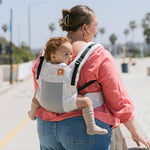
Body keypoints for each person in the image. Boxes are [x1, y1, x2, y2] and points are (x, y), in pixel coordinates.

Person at [31, 5, 150, 150]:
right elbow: (117, 98)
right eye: (95, 26)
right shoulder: (98, 55)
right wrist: (134, 132)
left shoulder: (47, 53)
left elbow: (40, 87)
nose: (97, 31)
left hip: (46, 128)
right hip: (84, 129)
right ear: (84, 28)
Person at [28, 36, 108, 135]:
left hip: (44, 103)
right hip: (64, 104)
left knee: (36, 96)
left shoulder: (43, 66)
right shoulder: (69, 69)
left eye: (71, 54)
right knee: (86, 101)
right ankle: (91, 126)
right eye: (66, 54)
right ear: (53, 56)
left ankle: (32, 114)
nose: (70, 57)